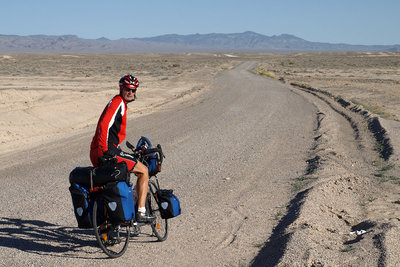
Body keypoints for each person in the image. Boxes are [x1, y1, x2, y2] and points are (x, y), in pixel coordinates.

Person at [90, 74, 155, 222]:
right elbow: (104, 125)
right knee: (143, 171)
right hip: (106, 150)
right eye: (127, 89)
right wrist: (106, 149)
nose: (130, 92)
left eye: (133, 90)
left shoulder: (118, 103)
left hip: (97, 150)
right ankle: (141, 211)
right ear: (121, 88)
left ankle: (105, 227)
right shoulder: (118, 102)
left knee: (106, 185)